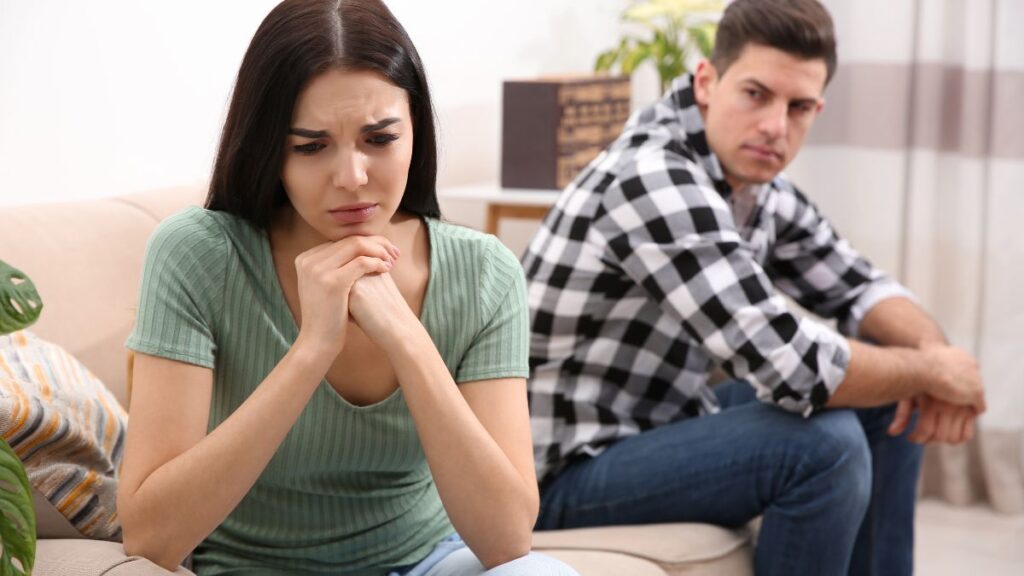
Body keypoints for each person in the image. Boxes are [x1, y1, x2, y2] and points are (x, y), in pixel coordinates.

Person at [523, 1, 984, 575]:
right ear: (707, 81)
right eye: (756, 95)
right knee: (825, 446)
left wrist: (934, 356)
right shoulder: (652, 177)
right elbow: (792, 369)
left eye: (800, 107)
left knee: (887, 395)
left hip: (658, 424)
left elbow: (860, 287)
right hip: (557, 473)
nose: (775, 126)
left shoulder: (749, 182)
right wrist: (934, 373)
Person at [117, 1, 577, 575]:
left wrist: (407, 339)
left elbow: (508, 539)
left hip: (431, 563)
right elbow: (150, 536)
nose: (352, 177)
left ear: (416, 131)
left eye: (380, 139)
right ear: (269, 148)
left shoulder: (484, 272)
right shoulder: (199, 254)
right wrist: (312, 348)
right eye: (310, 146)